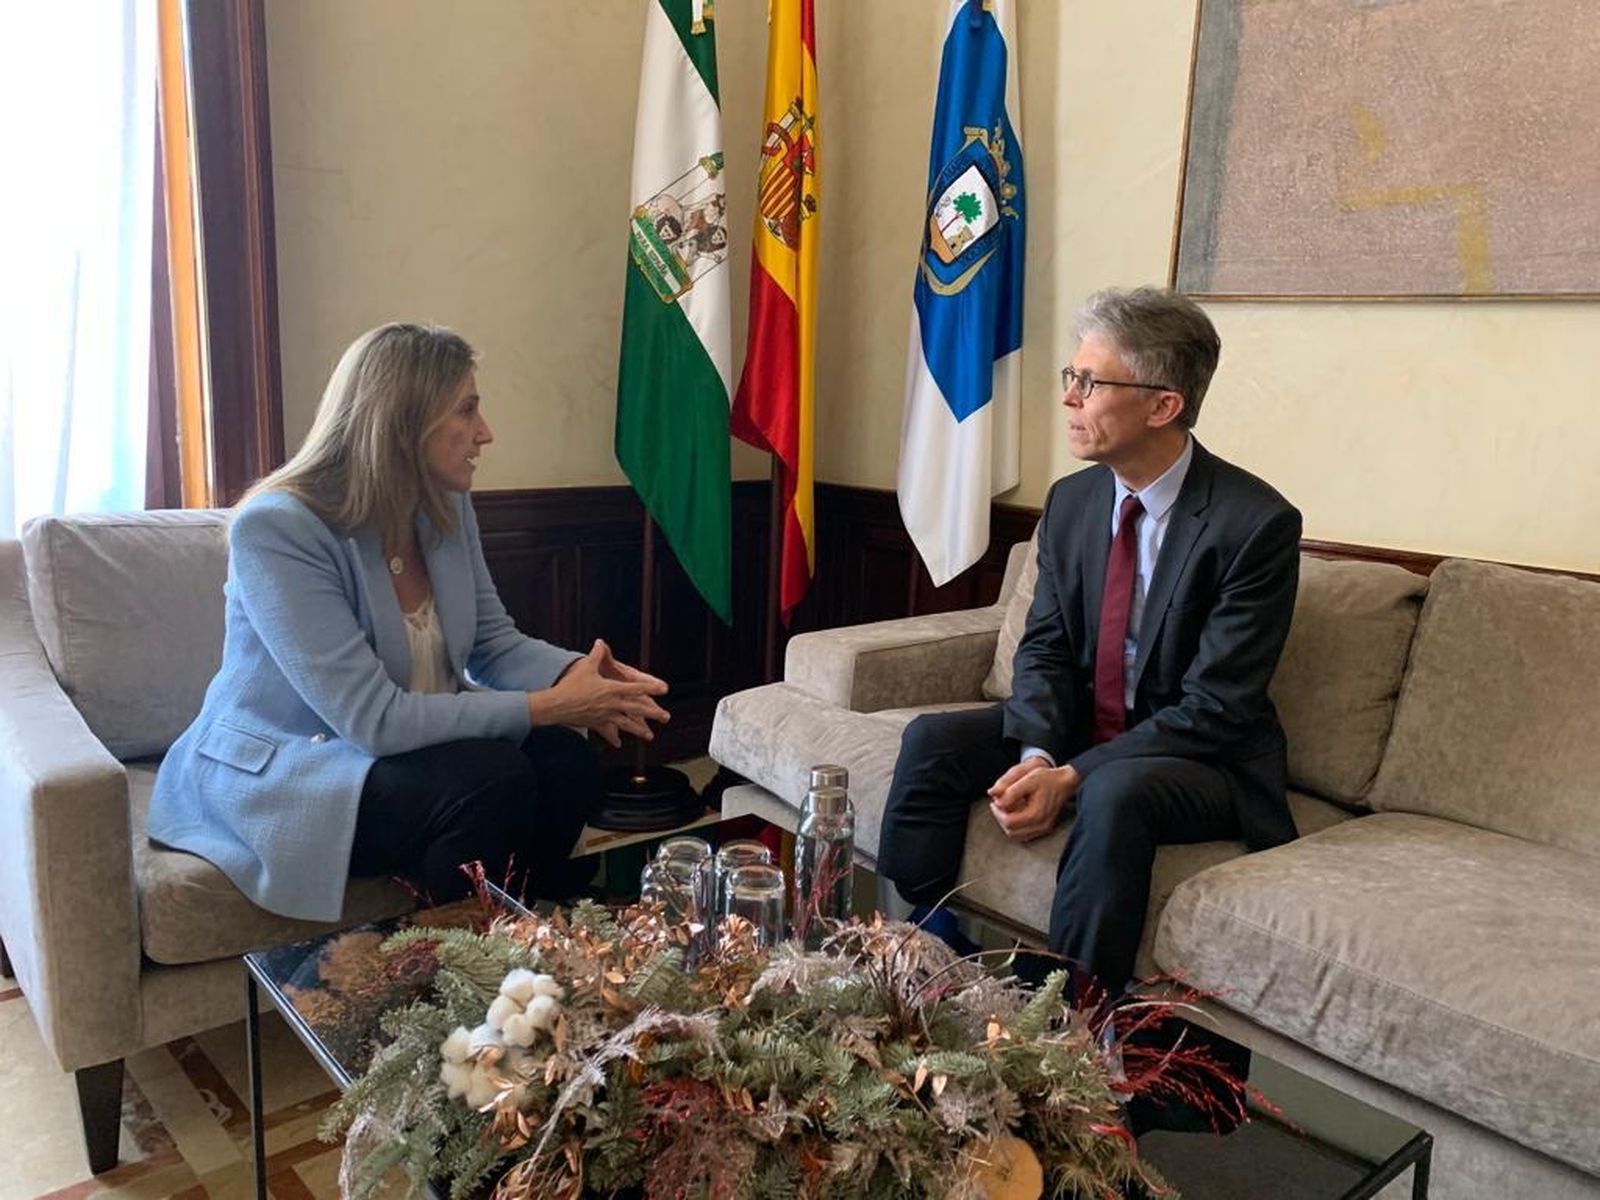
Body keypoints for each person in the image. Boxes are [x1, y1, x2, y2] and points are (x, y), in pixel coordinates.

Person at [149, 323, 669, 923]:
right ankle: (446, 952)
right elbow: (373, 720)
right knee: (492, 779)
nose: (485, 432)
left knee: (564, 760)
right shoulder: (277, 529)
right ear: (403, 425)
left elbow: (492, 643)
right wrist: (550, 705)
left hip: (400, 750)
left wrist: (579, 675)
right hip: (295, 765)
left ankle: (520, 933)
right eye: (466, 410)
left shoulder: (444, 501)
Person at [878, 286, 1301, 1007]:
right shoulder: (1073, 501)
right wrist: (1039, 754)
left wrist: (1071, 777)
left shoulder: (1254, 525)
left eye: (1090, 382)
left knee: (1114, 788)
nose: (1069, 398)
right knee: (931, 742)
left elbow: (1216, 708)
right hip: (1088, 725)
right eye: (1071, 377)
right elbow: (1043, 646)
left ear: (1162, 405)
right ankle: (926, 948)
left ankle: (1069, 1019)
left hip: (1205, 758)